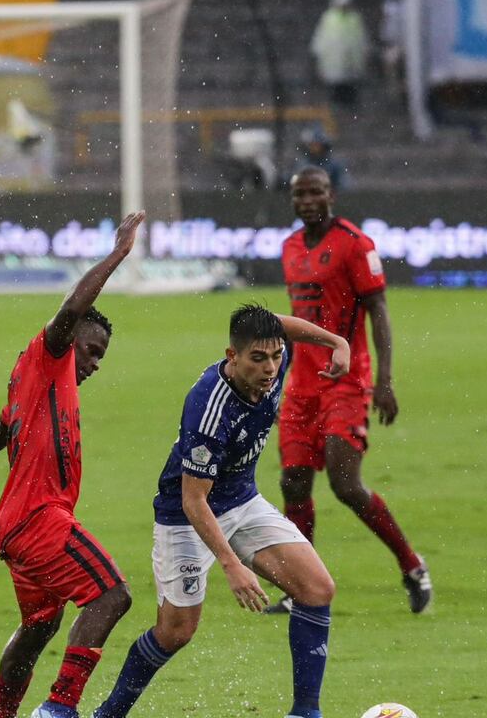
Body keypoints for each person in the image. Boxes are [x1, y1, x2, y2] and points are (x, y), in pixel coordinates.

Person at [0, 212, 145, 718]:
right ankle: (59, 709)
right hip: (39, 518)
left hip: (14, 524)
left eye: (101, 357)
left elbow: (5, 426)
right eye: (91, 351)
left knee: (39, 628)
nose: (94, 363)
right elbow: (72, 307)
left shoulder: (39, 382)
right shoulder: (48, 355)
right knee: (111, 596)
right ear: (69, 339)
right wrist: (117, 256)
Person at [93, 304, 348, 718]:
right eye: (258, 358)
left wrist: (337, 341)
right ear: (232, 356)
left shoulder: (271, 354)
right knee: (176, 631)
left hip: (241, 501)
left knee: (317, 589)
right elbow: (194, 500)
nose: (270, 368)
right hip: (186, 517)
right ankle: (108, 714)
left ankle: (305, 713)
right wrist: (232, 565)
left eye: (276, 356)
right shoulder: (208, 410)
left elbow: (280, 326)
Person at [268, 166, 431, 615]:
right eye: (299, 194)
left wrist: (385, 380)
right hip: (301, 386)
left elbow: (378, 310)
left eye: (315, 192)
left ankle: (412, 565)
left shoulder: (356, 244)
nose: (306, 201)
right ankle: (301, 588)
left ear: (331, 195)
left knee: (344, 483)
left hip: (347, 380)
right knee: (293, 482)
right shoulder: (290, 247)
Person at [310, 0, 371, 115]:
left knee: (349, 87)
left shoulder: (355, 18)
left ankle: (349, 110)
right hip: (334, 61)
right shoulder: (328, 18)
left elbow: (362, 39)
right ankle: (339, 109)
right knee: (337, 87)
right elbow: (321, 40)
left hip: (351, 61)